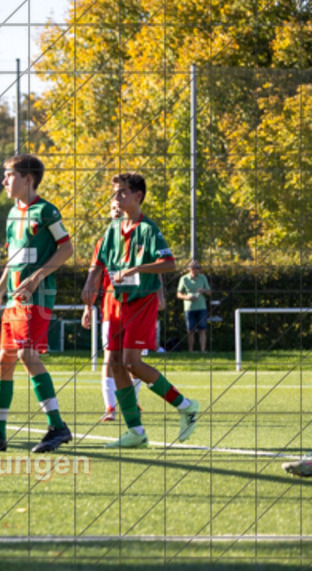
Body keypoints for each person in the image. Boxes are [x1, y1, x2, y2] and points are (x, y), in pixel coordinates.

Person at [91, 173, 201, 449]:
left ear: (137, 195)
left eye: (122, 192)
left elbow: (169, 263)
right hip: (117, 302)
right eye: (115, 192)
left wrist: (138, 268)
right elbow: (98, 261)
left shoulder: (149, 229)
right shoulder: (113, 229)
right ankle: (135, 430)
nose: (116, 197)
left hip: (141, 303)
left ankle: (186, 406)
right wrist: (88, 286)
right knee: (115, 363)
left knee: (131, 363)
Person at [0, 155, 74, 453]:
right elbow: (13, 259)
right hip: (14, 301)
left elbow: (67, 249)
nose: (4, 181)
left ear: (28, 178)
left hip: (37, 297)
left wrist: (37, 278)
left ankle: (57, 426)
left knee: (26, 355)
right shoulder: (12, 214)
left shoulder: (46, 211)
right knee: (4, 361)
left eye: (9, 175)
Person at [82, 197, 143, 423]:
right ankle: (110, 407)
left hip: (137, 305)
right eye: (113, 208)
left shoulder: (140, 236)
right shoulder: (103, 242)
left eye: (120, 207)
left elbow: (152, 269)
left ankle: (131, 401)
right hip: (112, 307)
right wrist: (88, 308)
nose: (117, 210)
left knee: (134, 360)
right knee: (110, 356)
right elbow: (94, 277)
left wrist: (159, 294)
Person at [177, 260, 212, 353]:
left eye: (198, 268)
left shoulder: (203, 278)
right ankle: (191, 351)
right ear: (190, 269)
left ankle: (203, 350)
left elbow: (209, 292)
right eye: (195, 268)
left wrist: (203, 291)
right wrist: (187, 297)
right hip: (189, 308)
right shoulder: (184, 279)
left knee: (202, 329)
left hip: (201, 307)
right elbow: (179, 294)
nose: (197, 270)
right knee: (190, 330)